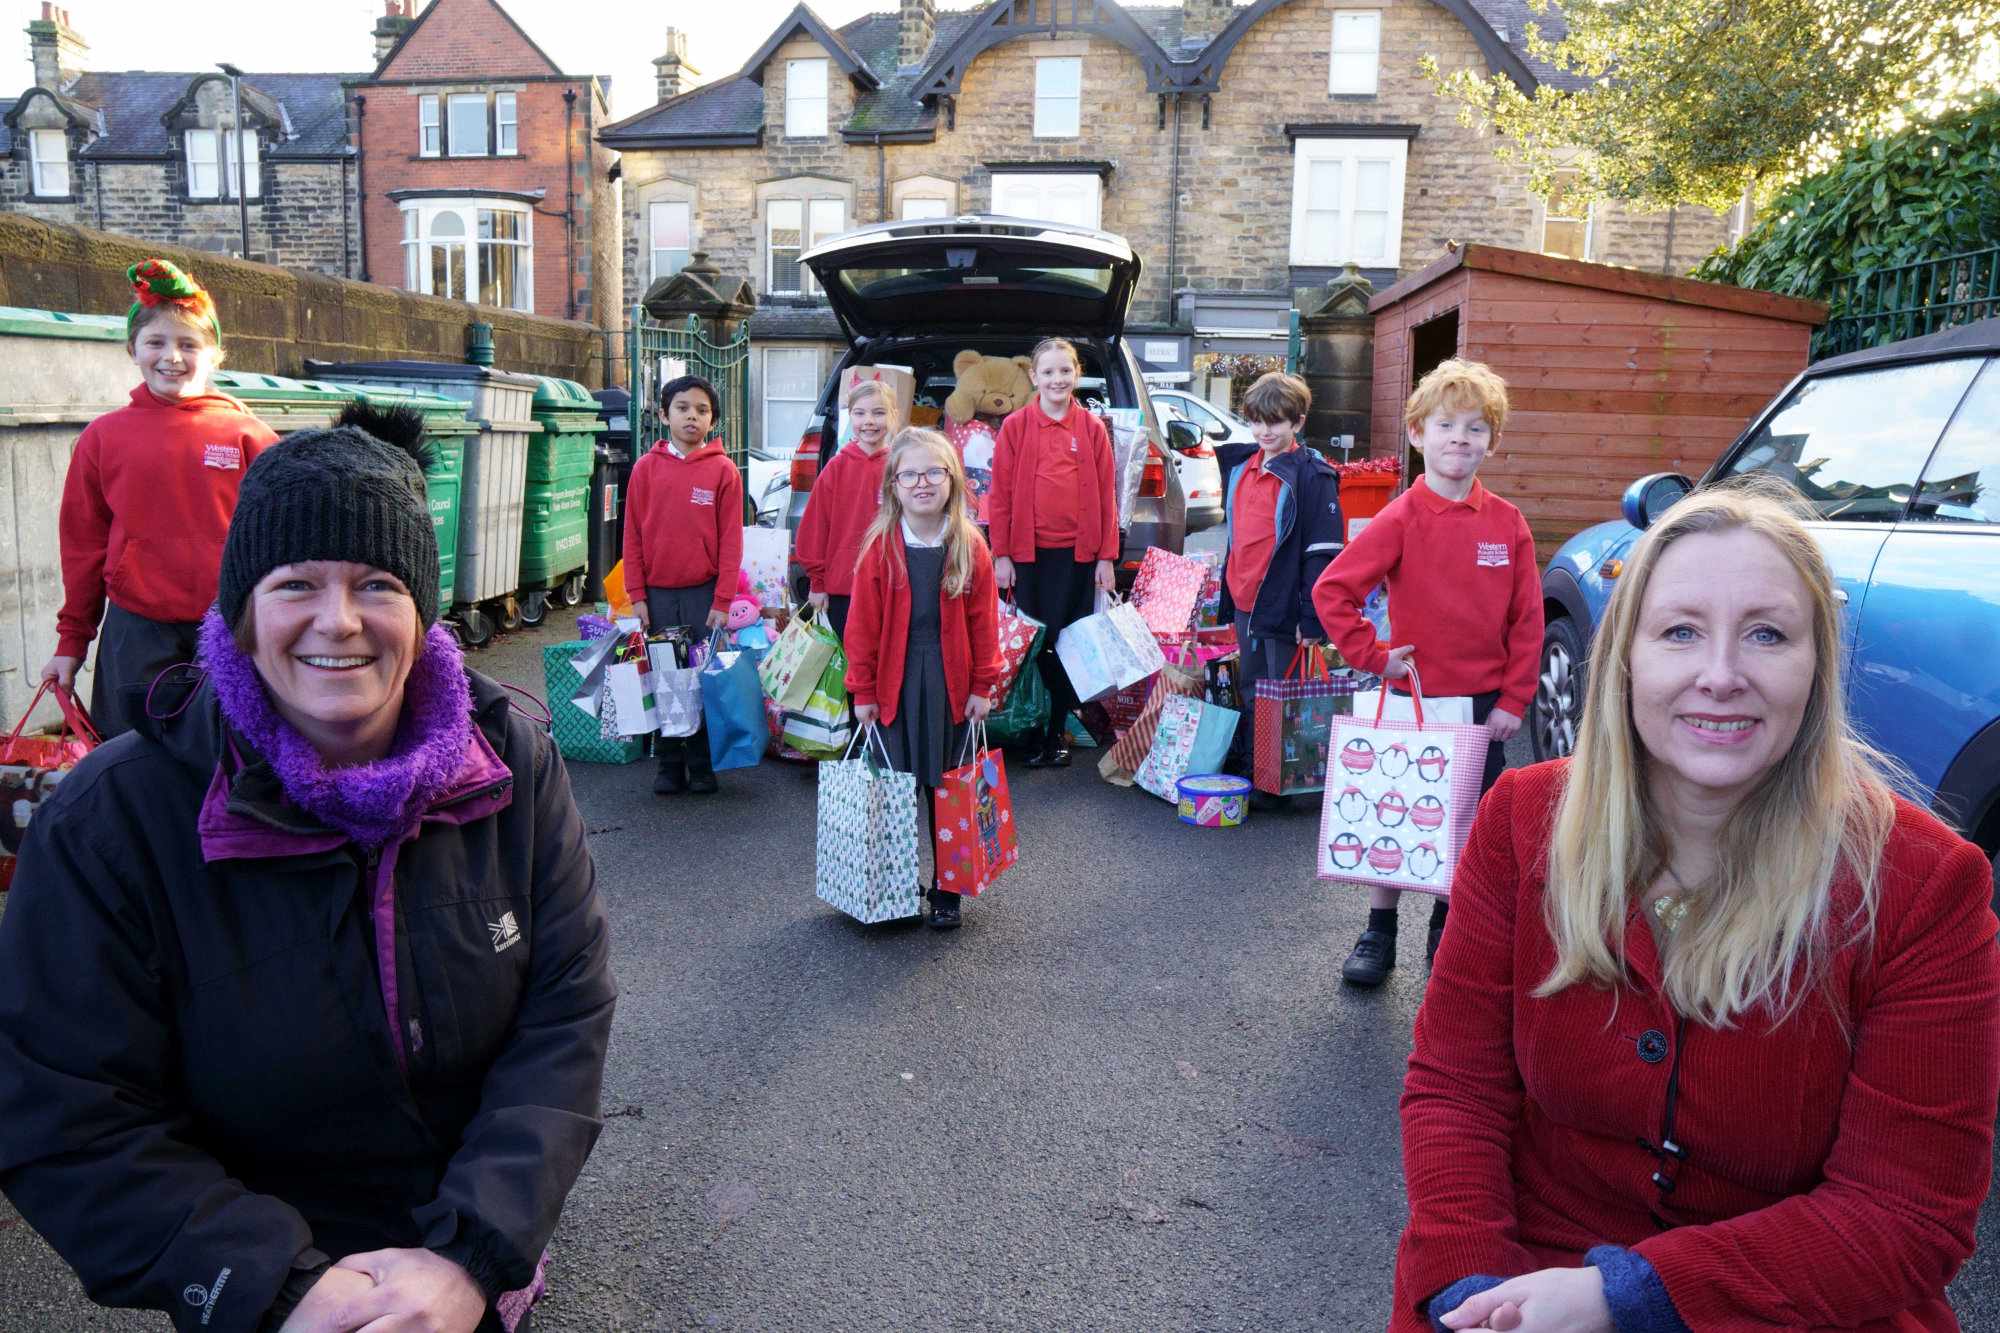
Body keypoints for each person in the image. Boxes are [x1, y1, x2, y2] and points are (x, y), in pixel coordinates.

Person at [0, 404, 617, 1333]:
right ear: (242, 611)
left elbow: (564, 1009)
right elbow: (65, 1105)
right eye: (296, 583)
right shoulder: (113, 822)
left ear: (422, 607)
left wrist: (472, 1252)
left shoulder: (512, 765)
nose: (340, 622)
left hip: (471, 1273)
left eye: (377, 581)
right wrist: (275, 1285)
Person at [1395, 479, 2000, 1333]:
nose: (1720, 675)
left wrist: (1628, 1296)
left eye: (1767, 634)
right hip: (1526, 1275)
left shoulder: (1926, 886)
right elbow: (1456, 1088)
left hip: (1800, 1301)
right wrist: (1470, 1285)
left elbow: (1905, 1211)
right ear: (1627, 658)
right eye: (1681, 631)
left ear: (1816, 666)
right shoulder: (1522, 822)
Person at [1312, 359, 1541, 985]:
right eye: (1445, 425)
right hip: (1409, 699)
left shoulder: (1508, 525)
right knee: (1398, 812)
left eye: (1475, 428)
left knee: (1466, 829)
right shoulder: (1400, 517)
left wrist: (1513, 701)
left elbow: (1527, 621)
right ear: (1417, 433)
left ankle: (1447, 935)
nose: (1459, 439)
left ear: (1491, 440)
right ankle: (1378, 931)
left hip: (1481, 705)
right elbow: (1334, 591)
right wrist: (1373, 655)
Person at [42, 257, 278, 738]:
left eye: (189, 344)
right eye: (156, 342)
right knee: (129, 757)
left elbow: (284, 542)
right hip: (136, 629)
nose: (172, 356)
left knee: (232, 757)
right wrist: (72, 642)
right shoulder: (103, 438)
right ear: (133, 349)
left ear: (215, 355)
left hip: (232, 628)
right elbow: (83, 546)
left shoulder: (249, 436)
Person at [845, 428, 1001, 931]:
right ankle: (895, 884)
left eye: (934, 472)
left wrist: (983, 685)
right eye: (909, 474)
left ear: (953, 481)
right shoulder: (880, 548)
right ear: (893, 485)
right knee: (894, 788)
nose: (922, 483)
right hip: (894, 682)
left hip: (950, 686)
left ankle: (948, 888)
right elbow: (862, 628)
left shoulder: (968, 546)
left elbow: (984, 624)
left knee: (947, 788)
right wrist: (863, 691)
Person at [985, 337, 1118, 768]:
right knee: (1034, 642)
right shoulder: (1017, 427)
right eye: (1048, 372)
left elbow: (1106, 496)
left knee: (1065, 644)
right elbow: (999, 494)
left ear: (1076, 374)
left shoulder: (1092, 429)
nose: (1057, 379)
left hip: (1077, 558)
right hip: (1028, 557)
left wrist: (1105, 558)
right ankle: (1032, 726)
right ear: (1034, 377)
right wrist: (1001, 554)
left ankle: (1056, 731)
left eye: (1065, 371)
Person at [1214, 371, 1343, 808]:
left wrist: (1313, 618)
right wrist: (1226, 596)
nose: (1265, 431)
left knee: (1280, 693)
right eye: (1257, 421)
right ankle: (1260, 771)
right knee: (1252, 687)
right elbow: (1236, 539)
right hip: (1246, 601)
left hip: (1285, 604)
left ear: (1298, 423)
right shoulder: (1241, 469)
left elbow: (1321, 553)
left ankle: (1281, 785)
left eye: (1276, 422)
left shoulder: (1313, 475)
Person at [625, 373, 743, 796]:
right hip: (656, 596)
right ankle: (669, 764)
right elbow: (631, 536)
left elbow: (732, 540)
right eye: (682, 408)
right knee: (663, 678)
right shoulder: (644, 469)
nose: (692, 416)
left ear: (712, 420)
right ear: (663, 414)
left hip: (702, 594)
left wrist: (723, 598)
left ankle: (702, 763)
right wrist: (636, 596)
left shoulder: (723, 471)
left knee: (697, 678)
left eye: (702, 410)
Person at [796, 376, 897, 640]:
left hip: (891, 586)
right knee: (849, 665)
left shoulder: (901, 467)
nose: (869, 421)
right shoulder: (836, 468)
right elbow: (815, 527)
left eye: (878, 413)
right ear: (849, 417)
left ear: (893, 416)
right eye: (860, 413)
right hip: (843, 588)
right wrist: (817, 583)